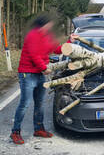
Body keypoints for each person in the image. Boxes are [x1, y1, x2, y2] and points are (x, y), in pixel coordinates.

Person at [10, 14, 78, 145]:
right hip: (27, 74)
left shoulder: (48, 36)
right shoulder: (32, 35)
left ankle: (39, 129)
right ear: (43, 24)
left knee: (40, 103)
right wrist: (44, 68)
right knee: (25, 104)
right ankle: (15, 132)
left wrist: (69, 42)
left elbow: (57, 50)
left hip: (40, 74)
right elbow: (34, 55)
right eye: (49, 24)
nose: (51, 26)